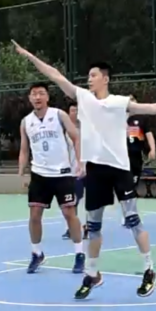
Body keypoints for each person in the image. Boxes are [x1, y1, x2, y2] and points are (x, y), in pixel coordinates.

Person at [11, 40, 156, 300]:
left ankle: (149, 270)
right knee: (93, 227)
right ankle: (92, 274)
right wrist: (28, 55)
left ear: (105, 79)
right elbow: (55, 75)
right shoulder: (83, 98)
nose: (89, 79)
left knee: (133, 221)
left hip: (119, 170)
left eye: (93, 75)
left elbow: (150, 108)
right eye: (88, 76)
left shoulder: (119, 102)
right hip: (95, 171)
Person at [18, 83, 85, 274]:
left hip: (62, 173)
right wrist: (21, 173)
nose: (37, 97)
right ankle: (36, 253)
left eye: (41, 93)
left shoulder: (59, 115)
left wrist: (80, 162)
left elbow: (76, 137)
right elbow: (24, 149)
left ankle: (79, 253)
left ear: (47, 97)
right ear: (29, 98)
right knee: (34, 215)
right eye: (34, 94)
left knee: (69, 213)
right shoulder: (26, 122)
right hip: (39, 174)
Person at [121, 96, 156, 224]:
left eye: (133, 101)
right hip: (122, 157)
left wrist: (152, 149)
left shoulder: (142, 119)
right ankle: (127, 214)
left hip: (136, 157)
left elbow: (149, 134)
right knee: (125, 186)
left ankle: (131, 212)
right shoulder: (120, 118)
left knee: (133, 185)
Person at [61, 102, 87, 241]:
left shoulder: (87, 129)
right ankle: (72, 228)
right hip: (72, 171)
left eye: (77, 110)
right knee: (73, 201)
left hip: (88, 170)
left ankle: (88, 226)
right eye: (72, 110)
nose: (75, 113)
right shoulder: (64, 132)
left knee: (88, 200)